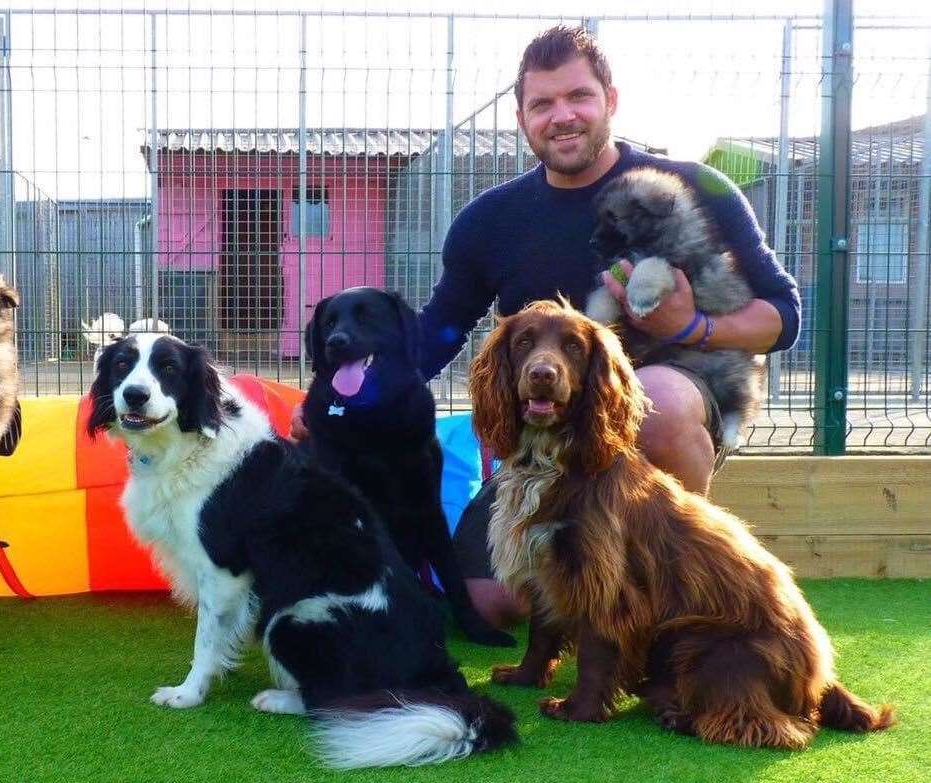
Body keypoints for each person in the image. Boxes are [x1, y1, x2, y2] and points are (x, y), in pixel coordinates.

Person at [292, 25, 800, 630]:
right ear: (522, 117)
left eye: (578, 97)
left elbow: (782, 318)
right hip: (546, 438)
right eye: (543, 104)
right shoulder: (490, 220)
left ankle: (677, 587)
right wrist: (337, 396)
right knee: (492, 603)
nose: (563, 117)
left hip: (662, 415)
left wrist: (690, 324)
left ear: (610, 99)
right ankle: (591, 595)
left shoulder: (689, 189)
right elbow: (438, 334)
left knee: (655, 401)